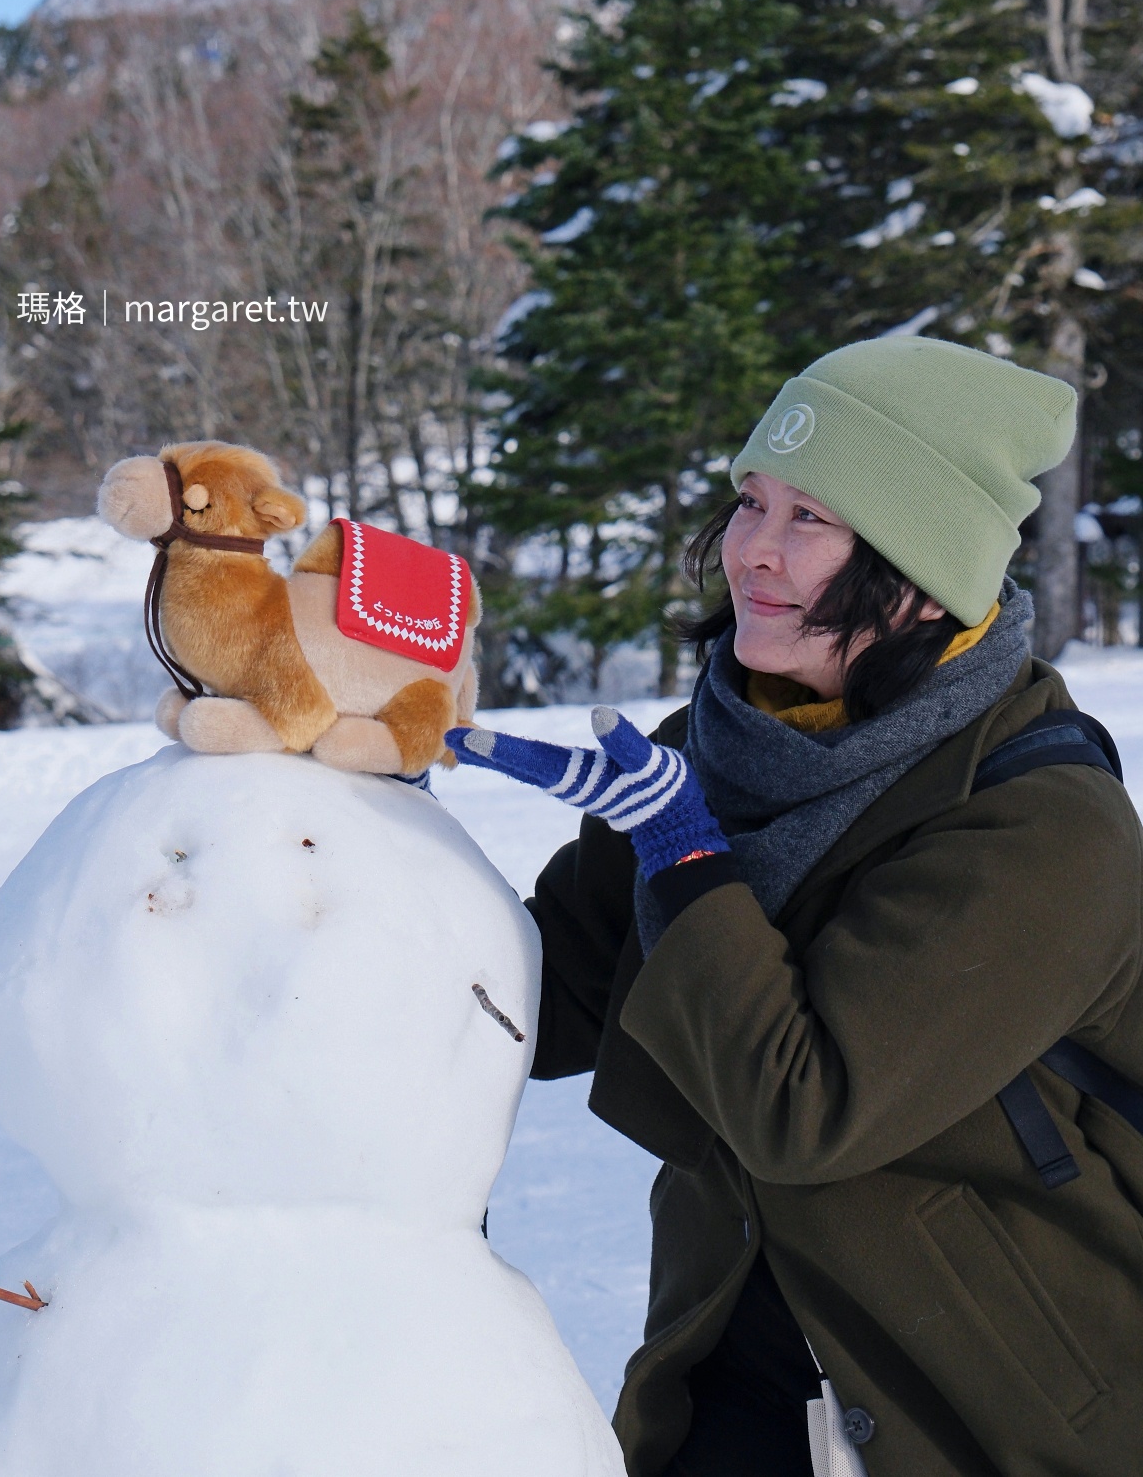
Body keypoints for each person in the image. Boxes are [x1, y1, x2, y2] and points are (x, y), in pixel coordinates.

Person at [446, 336, 1143, 1477]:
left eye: (809, 519)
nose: (751, 553)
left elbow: (806, 1109)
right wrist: (375, 831)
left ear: (921, 566)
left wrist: (681, 848)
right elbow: (540, 1001)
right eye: (747, 501)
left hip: (994, 1404)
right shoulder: (715, 747)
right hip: (730, 1369)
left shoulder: (1041, 821)